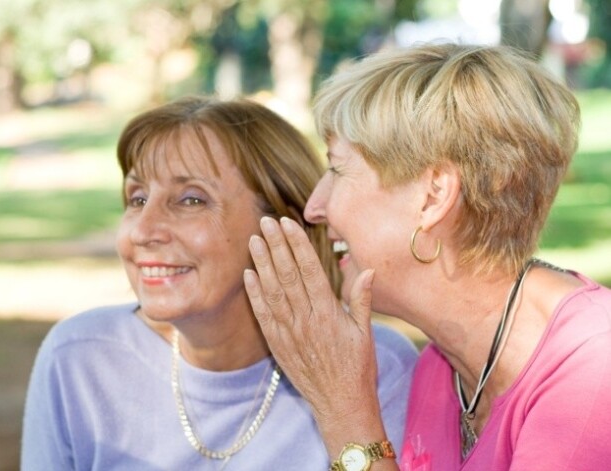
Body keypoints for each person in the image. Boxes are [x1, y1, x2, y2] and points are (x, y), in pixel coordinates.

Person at [244, 43, 611, 471]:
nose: (313, 206)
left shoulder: (593, 370)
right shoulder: (439, 372)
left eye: (338, 169)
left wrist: (344, 410)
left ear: (433, 196)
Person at [21, 96, 418, 470]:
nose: (143, 231)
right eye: (138, 198)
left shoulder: (378, 365)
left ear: (286, 225)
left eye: (191, 200)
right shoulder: (80, 358)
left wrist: (344, 407)